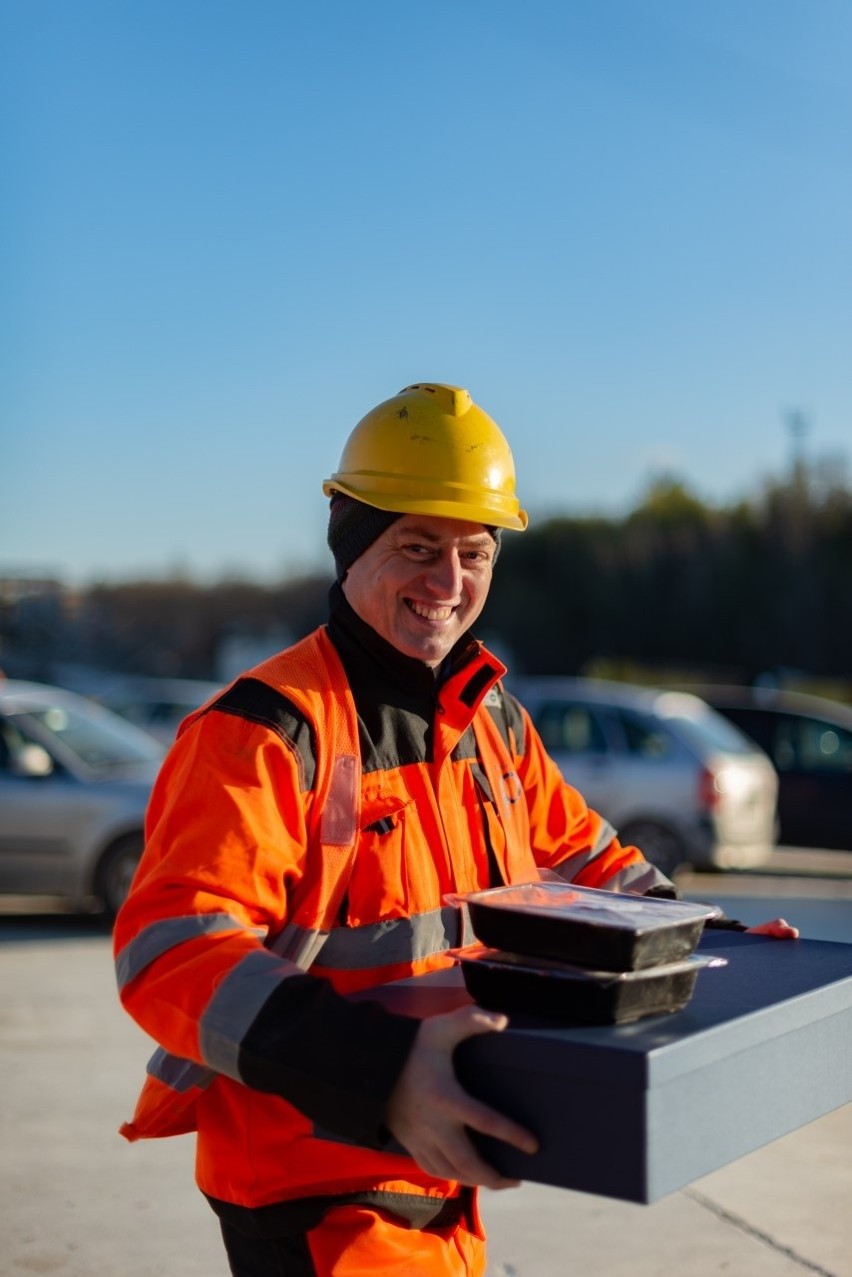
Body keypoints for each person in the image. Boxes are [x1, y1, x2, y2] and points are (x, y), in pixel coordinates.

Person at [114, 382, 797, 1277]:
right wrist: (381, 1068)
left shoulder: (489, 721)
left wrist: (708, 945)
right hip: (317, 1186)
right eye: (417, 547)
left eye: (475, 552)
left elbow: (589, 857)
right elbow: (170, 950)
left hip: (444, 1162)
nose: (449, 582)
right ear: (351, 548)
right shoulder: (265, 732)